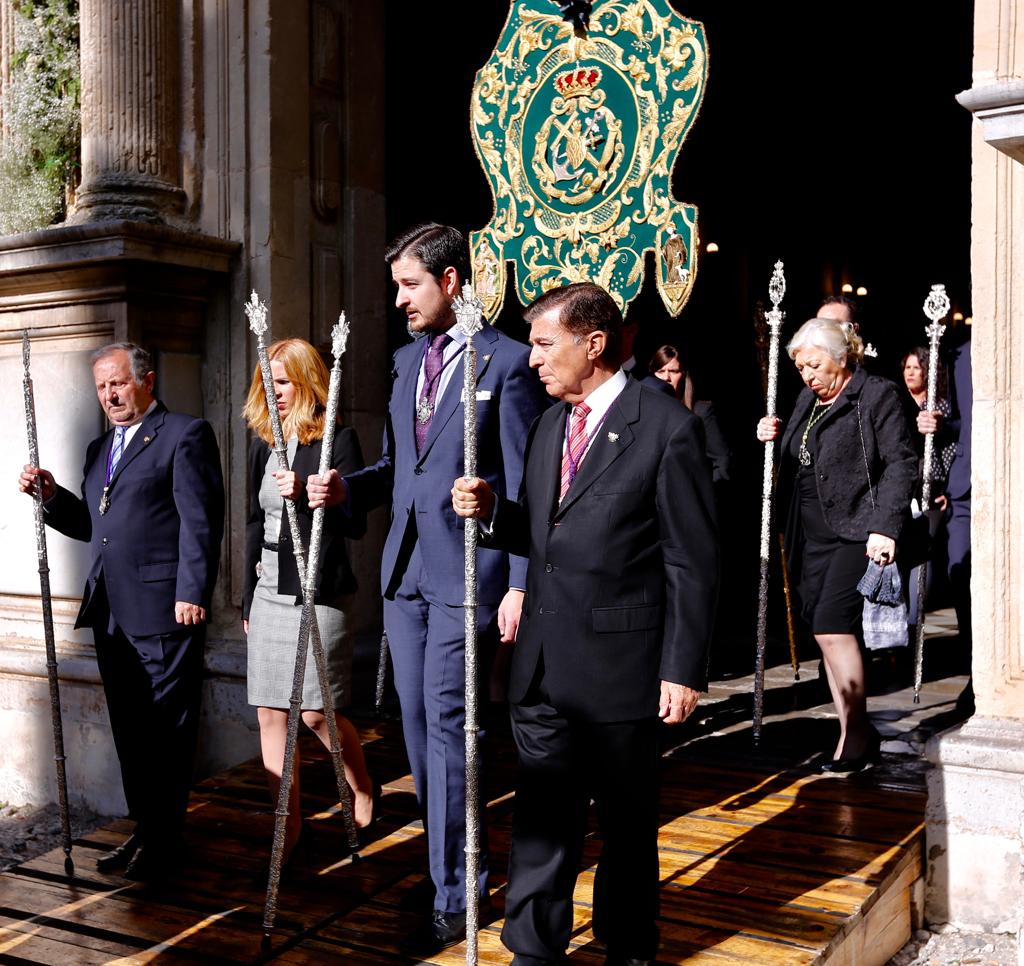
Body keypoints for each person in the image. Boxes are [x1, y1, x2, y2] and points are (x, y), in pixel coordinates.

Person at [452, 282, 719, 966]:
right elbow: (547, 535)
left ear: (593, 344)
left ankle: (627, 946)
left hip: (622, 670)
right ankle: (533, 950)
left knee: (626, 827)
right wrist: (490, 512)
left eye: (545, 345)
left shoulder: (667, 428)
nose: (532, 360)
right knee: (542, 818)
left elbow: (691, 560)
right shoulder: (549, 426)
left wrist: (682, 668)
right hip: (541, 668)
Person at [307, 223, 548, 955]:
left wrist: (518, 582)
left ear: (449, 282)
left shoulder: (506, 363)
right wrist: (346, 487)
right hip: (404, 575)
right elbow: (399, 469)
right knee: (417, 733)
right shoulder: (408, 361)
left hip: (468, 575)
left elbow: (525, 485)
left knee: (449, 731)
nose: (400, 300)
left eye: (410, 285)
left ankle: (458, 888)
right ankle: (444, 865)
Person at [18, 343, 224, 879]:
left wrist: (193, 592)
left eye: (118, 383)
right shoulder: (98, 449)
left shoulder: (185, 434)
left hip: (165, 611)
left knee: (167, 733)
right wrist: (51, 497)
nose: (109, 395)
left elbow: (201, 522)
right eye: (102, 387)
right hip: (111, 612)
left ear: (146, 381)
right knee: (131, 731)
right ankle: (146, 832)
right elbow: (95, 525)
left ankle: (166, 841)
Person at [756, 318, 916, 772]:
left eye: (814, 364)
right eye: (801, 367)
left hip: (856, 529)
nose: (806, 375)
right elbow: (797, 453)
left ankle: (856, 732)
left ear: (841, 359)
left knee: (831, 625)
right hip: (810, 532)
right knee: (826, 634)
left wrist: (886, 526)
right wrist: (773, 435)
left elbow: (900, 463)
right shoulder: (809, 398)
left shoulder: (875, 395)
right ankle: (852, 726)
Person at [241, 338, 374, 865]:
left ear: (307, 382)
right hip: (269, 587)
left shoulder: (337, 438)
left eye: (283, 381)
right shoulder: (260, 440)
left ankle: (361, 786)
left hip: (319, 588)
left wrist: (310, 495)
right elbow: (253, 521)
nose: (272, 391)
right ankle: (287, 828)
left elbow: (355, 522)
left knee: (317, 713)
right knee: (271, 714)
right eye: (266, 381)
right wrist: (247, 598)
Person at [900, 346, 956, 625]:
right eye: (907, 368)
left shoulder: (938, 406)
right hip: (902, 488)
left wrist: (943, 487)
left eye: (916, 367)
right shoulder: (897, 403)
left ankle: (914, 624)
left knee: (922, 556)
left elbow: (946, 448)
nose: (910, 373)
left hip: (929, 487)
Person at [649, 343, 732, 483]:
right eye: (660, 371)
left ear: (684, 374)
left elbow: (722, 462)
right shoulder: (646, 413)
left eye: (673, 371)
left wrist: (700, 494)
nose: (666, 378)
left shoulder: (701, 412)